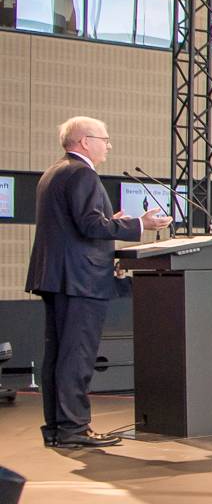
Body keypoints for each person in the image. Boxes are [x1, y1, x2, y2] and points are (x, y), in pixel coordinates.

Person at [26, 116, 171, 448]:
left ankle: (59, 428)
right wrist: (139, 224)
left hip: (58, 276)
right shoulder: (82, 174)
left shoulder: (54, 172)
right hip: (80, 280)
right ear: (84, 141)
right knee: (76, 355)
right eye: (105, 139)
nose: (108, 145)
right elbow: (90, 226)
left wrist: (111, 223)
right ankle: (74, 429)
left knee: (60, 354)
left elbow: (76, 225)